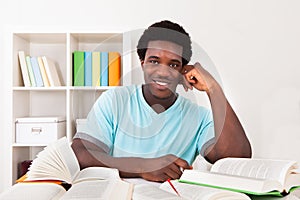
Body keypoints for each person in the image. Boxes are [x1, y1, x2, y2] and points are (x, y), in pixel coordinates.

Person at [71, 20, 252, 182]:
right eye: (154, 61)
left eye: (173, 64)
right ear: (142, 63)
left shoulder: (199, 117)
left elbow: (237, 159)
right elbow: (80, 154)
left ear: (183, 70)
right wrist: (143, 167)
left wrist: (213, 89)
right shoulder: (114, 101)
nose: (163, 72)